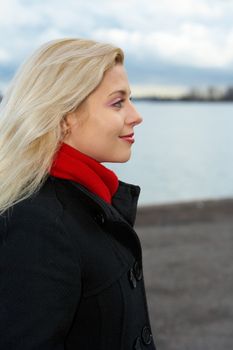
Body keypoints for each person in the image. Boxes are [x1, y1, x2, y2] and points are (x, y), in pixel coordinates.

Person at [0, 38, 156, 350]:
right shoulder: (37, 225)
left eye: (131, 99)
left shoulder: (89, 198)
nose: (136, 115)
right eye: (117, 102)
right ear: (64, 117)